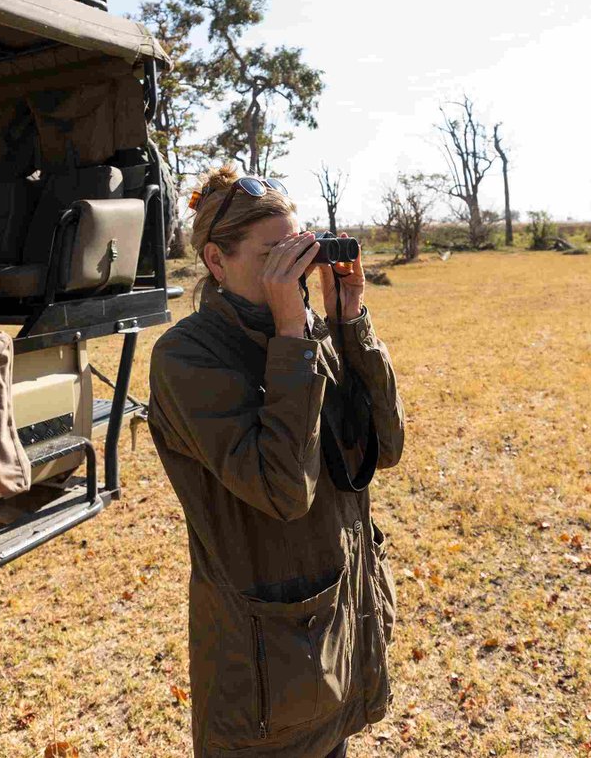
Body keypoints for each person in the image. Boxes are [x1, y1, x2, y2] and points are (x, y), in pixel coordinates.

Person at [148, 164, 406, 758]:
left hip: (336, 634)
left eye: (296, 248)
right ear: (217, 261)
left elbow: (382, 450)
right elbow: (283, 490)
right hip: (264, 672)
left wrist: (350, 324)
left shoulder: (312, 330)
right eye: (272, 255)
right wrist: (292, 335)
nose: (293, 267)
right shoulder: (186, 358)